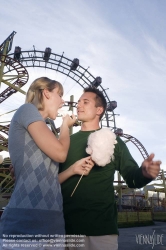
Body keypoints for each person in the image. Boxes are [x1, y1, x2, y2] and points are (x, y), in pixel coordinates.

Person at [59, 87, 161, 250]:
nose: (79, 105)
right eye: (78, 102)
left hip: (102, 229)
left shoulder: (114, 142)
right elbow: (50, 179)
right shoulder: (65, 142)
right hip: (67, 227)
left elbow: (132, 177)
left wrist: (144, 173)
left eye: (85, 102)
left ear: (99, 110)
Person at [0, 77, 94, 250]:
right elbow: (60, 153)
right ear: (46, 93)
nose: (63, 101)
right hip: (24, 229)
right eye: (59, 94)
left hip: (53, 228)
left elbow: (48, 180)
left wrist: (73, 170)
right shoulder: (27, 110)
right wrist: (65, 126)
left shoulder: (48, 126)